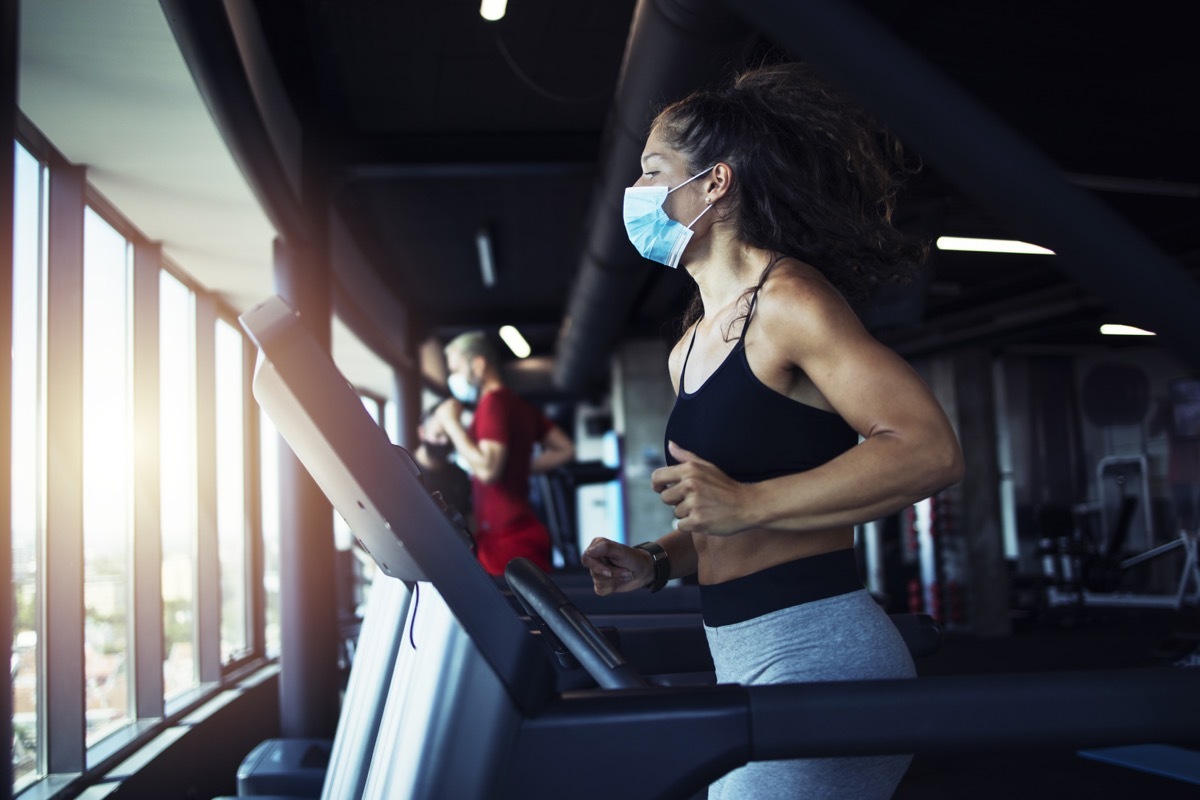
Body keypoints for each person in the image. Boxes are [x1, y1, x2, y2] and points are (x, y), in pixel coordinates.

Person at [581, 62, 965, 799]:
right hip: (737, 650)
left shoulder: (788, 300)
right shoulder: (688, 347)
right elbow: (728, 514)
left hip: (822, 652)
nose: (638, 195)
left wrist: (748, 506)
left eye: (653, 172)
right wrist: (657, 561)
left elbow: (929, 449)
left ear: (715, 184)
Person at [435, 331, 576, 575]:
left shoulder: (493, 403)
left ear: (478, 365)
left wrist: (451, 423)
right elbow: (566, 449)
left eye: (456, 369)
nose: (453, 378)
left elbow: (488, 470)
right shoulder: (516, 404)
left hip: (507, 541)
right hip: (515, 532)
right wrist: (518, 465)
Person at [411, 409, 472, 526]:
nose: (444, 441)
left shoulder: (460, 476)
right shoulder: (405, 470)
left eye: (449, 436)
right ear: (422, 432)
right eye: (438, 435)